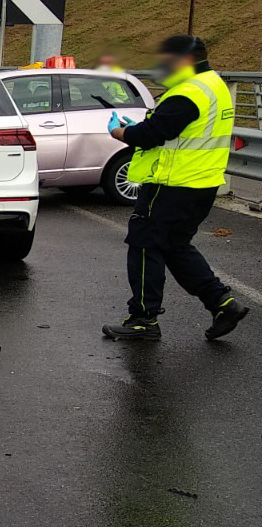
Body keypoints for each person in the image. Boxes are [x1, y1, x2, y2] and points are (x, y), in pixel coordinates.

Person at [103, 35, 247, 341]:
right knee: (175, 247)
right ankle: (222, 303)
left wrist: (120, 131)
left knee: (145, 246)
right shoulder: (214, 85)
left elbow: (152, 134)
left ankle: (143, 319)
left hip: (172, 186)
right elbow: (177, 130)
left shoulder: (188, 93)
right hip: (202, 184)